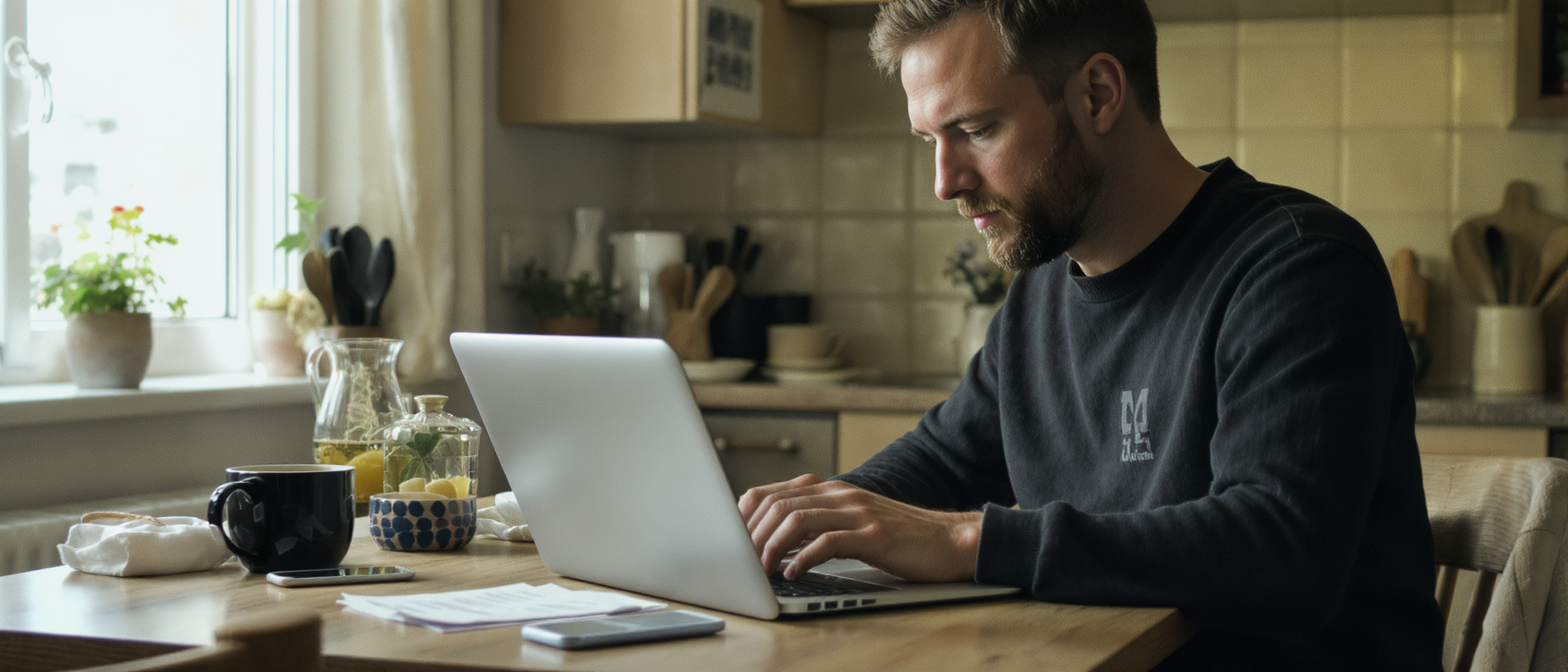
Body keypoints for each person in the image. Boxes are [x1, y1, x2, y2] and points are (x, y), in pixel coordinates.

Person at [737, 1, 1444, 669]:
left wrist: (965, 539)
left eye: (976, 130)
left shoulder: (1298, 265)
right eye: (930, 140)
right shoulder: (1041, 294)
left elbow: (1280, 551)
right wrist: (794, 525)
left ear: (1100, 94)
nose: (944, 183)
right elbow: (941, 461)